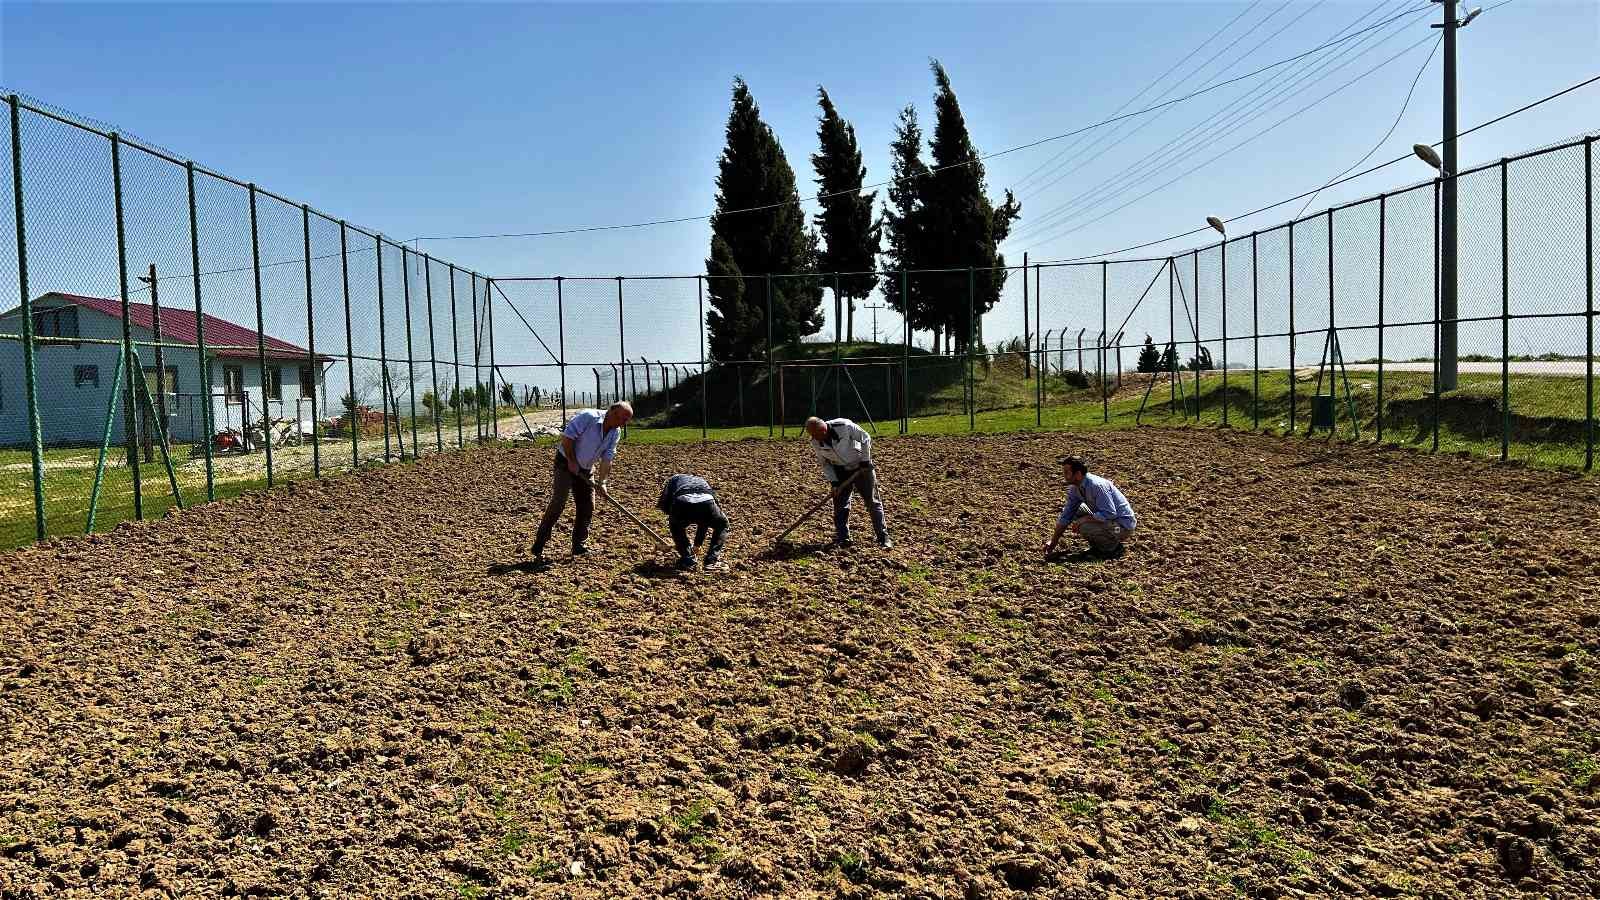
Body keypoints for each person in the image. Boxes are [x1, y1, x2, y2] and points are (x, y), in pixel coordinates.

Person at [531, 402, 633, 561]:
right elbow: (567, 439)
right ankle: (540, 542)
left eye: (627, 420)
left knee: (587, 505)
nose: (624, 423)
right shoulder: (588, 417)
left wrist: (603, 482)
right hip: (565, 462)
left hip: (585, 468)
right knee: (559, 502)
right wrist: (572, 461)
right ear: (612, 412)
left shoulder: (615, 433)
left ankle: (579, 545)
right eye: (623, 418)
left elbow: (607, 458)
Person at [804, 416, 891, 548]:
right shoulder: (815, 441)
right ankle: (843, 538)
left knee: (872, 502)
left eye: (815, 435)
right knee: (840, 505)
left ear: (823, 430)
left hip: (861, 468)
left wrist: (865, 460)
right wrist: (834, 482)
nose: (814, 438)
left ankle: (883, 537)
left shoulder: (844, 426)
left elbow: (865, 437)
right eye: (812, 435)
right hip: (840, 471)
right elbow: (825, 464)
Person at [1044, 455, 1137, 559]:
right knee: (1077, 511)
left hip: (1121, 528)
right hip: (1110, 523)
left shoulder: (1097, 486)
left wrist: (1083, 520)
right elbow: (1066, 515)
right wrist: (1054, 541)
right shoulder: (1075, 488)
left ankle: (1111, 548)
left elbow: (1110, 513)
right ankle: (1100, 544)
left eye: (1067, 472)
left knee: (1084, 526)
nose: (1064, 475)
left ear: (1078, 474)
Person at [656, 473, 729, 569]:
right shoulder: (702, 480)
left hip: (682, 501)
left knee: (676, 526)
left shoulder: (673, 480)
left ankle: (688, 560)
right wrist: (697, 544)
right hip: (707, 501)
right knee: (722, 524)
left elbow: (664, 504)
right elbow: (706, 519)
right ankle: (711, 561)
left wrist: (676, 520)